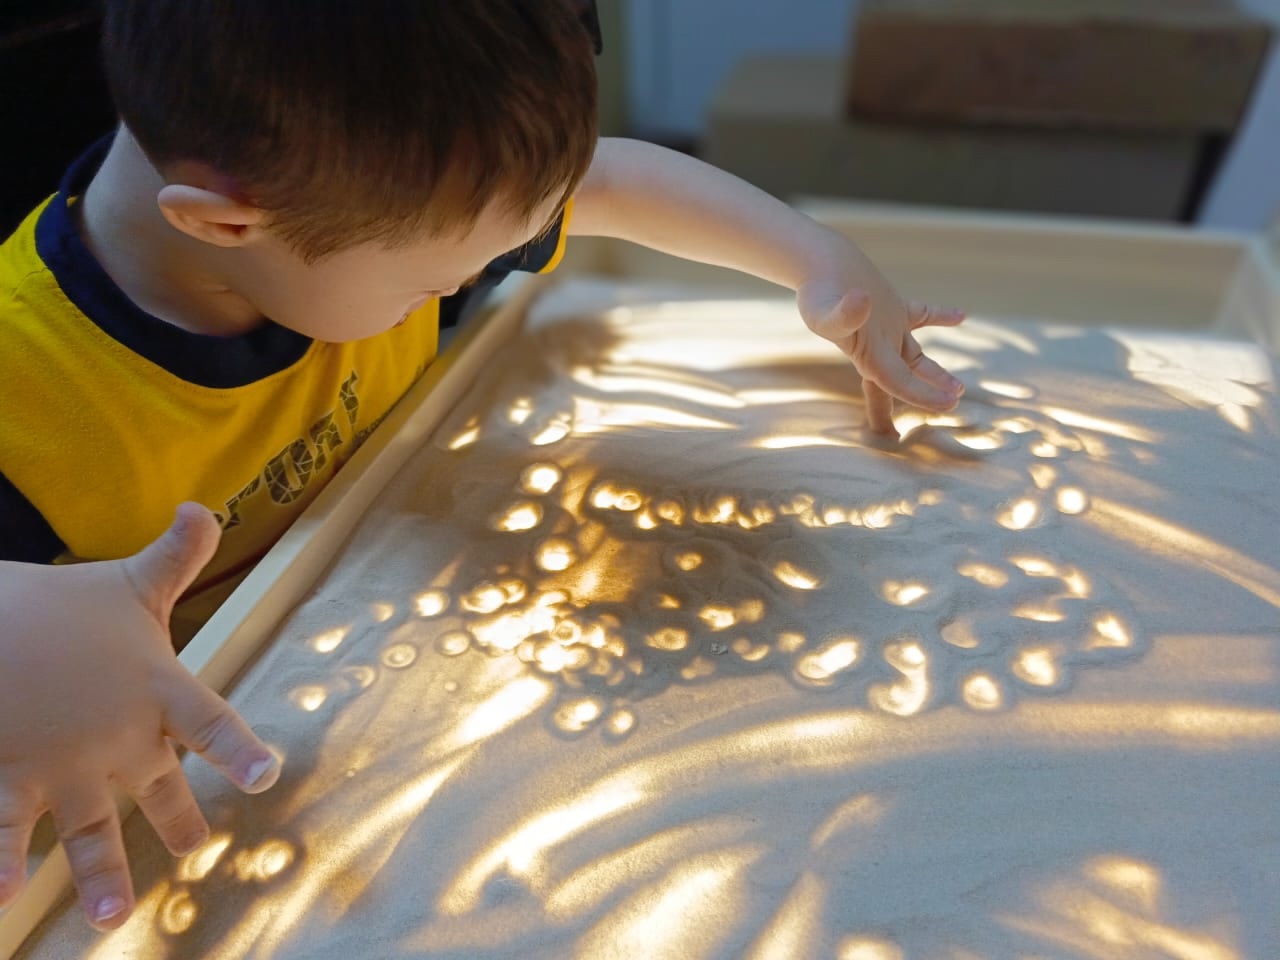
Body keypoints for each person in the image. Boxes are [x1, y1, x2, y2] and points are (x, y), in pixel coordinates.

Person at [0, 0, 965, 933]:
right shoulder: (26, 389)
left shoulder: (379, 189)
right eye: (440, 281)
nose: (471, 280)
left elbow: (606, 182)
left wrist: (819, 258)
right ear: (225, 223)